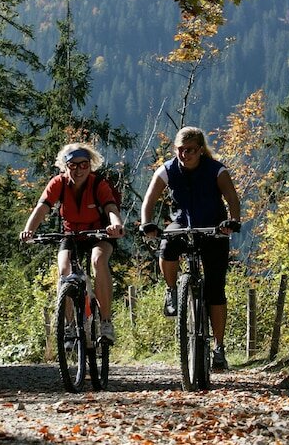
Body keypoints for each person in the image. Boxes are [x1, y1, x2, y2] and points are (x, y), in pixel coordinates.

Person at [140, 126, 241, 370]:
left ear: (201, 150)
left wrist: (232, 222)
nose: (185, 155)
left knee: (216, 289)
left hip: (213, 227)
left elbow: (232, 199)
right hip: (182, 222)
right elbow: (149, 201)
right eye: (181, 150)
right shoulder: (167, 169)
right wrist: (147, 223)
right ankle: (172, 290)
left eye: (191, 150)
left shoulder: (216, 170)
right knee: (167, 244)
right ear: (175, 149)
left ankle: (218, 347)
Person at [20, 142, 124, 344]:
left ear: (90, 165)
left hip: (99, 233)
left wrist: (116, 225)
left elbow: (111, 208)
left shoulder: (98, 184)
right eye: (73, 165)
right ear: (65, 166)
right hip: (71, 235)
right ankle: (69, 326)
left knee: (98, 261)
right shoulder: (58, 183)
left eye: (83, 164)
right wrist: (28, 230)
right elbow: (42, 208)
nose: (78, 170)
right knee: (64, 270)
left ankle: (105, 322)